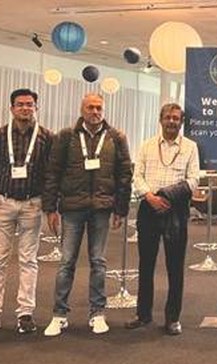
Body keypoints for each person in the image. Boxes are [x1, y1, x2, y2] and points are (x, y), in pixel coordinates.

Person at [42, 93, 132, 337]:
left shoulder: (116, 137)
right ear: (82, 110)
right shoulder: (66, 136)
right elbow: (53, 172)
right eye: (90, 107)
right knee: (66, 262)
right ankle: (59, 315)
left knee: (98, 262)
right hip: (72, 208)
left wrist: (121, 209)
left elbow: (124, 174)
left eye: (99, 107)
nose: (95, 112)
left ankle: (97, 313)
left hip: (102, 208)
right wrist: (50, 208)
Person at [0, 88, 53, 337]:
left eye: (30, 104)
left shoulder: (46, 137)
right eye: (20, 104)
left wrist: (51, 207)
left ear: (36, 108)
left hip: (32, 204)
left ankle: (25, 313)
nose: (25, 108)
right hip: (3, 202)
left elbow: (51, 174)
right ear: (12, 108)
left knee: (29, 260)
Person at [125, 103, 199, 335]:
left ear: (181, 122)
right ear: (161, 119)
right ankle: (143, 314)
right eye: (168, 117)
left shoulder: (190, 147)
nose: (171, 122)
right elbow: (137, 176)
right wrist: (150, 197)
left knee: (175, 267)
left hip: (176, 210)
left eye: (176, 118)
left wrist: (167, 195)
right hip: (148, 209)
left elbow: (193, 180)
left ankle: (172, 318)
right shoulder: (147, 145)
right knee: (145, 265)